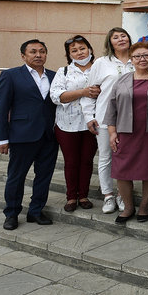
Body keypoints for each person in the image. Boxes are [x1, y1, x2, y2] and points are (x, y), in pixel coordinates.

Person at [0, 39, 58, 230]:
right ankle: (11, 213)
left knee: (44, 176)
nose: (38, 55)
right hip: (22, 135)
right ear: (23, 56)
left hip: (49, 136)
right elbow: (0, 108)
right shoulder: (11, 75)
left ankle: (36, 211)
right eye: (33, 51)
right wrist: (1, 138)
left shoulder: (55, 76)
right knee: (16, 176)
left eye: (42, 51)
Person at [104, 42, 148, 224]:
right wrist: (112, 132)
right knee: (122, 171)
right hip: (125, 133)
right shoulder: (122, 80)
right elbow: (111, 106)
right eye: (137, 56)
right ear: (131, 59)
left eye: (147, 55)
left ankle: (144, 206)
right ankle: (128, 207)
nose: (142, 59)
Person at [81, 27, 134, 214]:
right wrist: (89, 116)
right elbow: (90, 90)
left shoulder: (136, 59)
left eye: (123, 36)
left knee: (126, 157)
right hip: (105, 117)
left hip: (131, 118)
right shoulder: (102, 63)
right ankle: (108, 195)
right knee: (106, 157)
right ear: (110, 42)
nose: (121, 39)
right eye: (116, 37)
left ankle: (122, 194)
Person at [49, 35, 100, 212]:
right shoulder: (63, 71)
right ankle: (71, 197)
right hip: (67, 124)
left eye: (82, 48)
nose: (79, 53)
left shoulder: (100, 67)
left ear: (90, 49)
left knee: (87, 161)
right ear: (69, 55)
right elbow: (56, 96)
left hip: (93, 123)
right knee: (71, 162)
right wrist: (83, 92)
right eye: (74, 50)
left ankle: (83, 195)